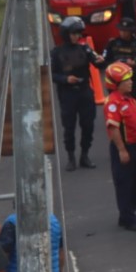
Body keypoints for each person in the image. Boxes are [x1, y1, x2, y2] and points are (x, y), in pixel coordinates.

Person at [51, 16, 102, 171]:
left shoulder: (85, 49)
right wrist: (66, 79)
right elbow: (51, 74)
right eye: (74, 33)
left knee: (88, 125)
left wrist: (101, 60)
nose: (77, 36)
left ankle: (84, 155)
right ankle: (71, 156)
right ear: (66, 34)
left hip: (85, 91)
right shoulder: (56, 52)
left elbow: (97, 62)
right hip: (68, 94)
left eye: (78, 33)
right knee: (69, 127)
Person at [104, 62, 136, 231]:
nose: (131, 82)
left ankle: (128, 215)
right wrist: (122, 150)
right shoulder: (113, 102)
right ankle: (128, 218)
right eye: (127, 80)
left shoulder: (130, 99)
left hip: (135, 146)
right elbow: (113, 128)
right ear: (117, 84)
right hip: (124, 147)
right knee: (124, 184)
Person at [103, 17, 136, 93]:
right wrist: (115, 64)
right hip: (116, 81)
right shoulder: (112, 44)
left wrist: (135, 64)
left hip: (134, 80)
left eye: (125, 31)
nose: (123, 33)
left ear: (131, 31)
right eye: (121, 30)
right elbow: (104, 62)